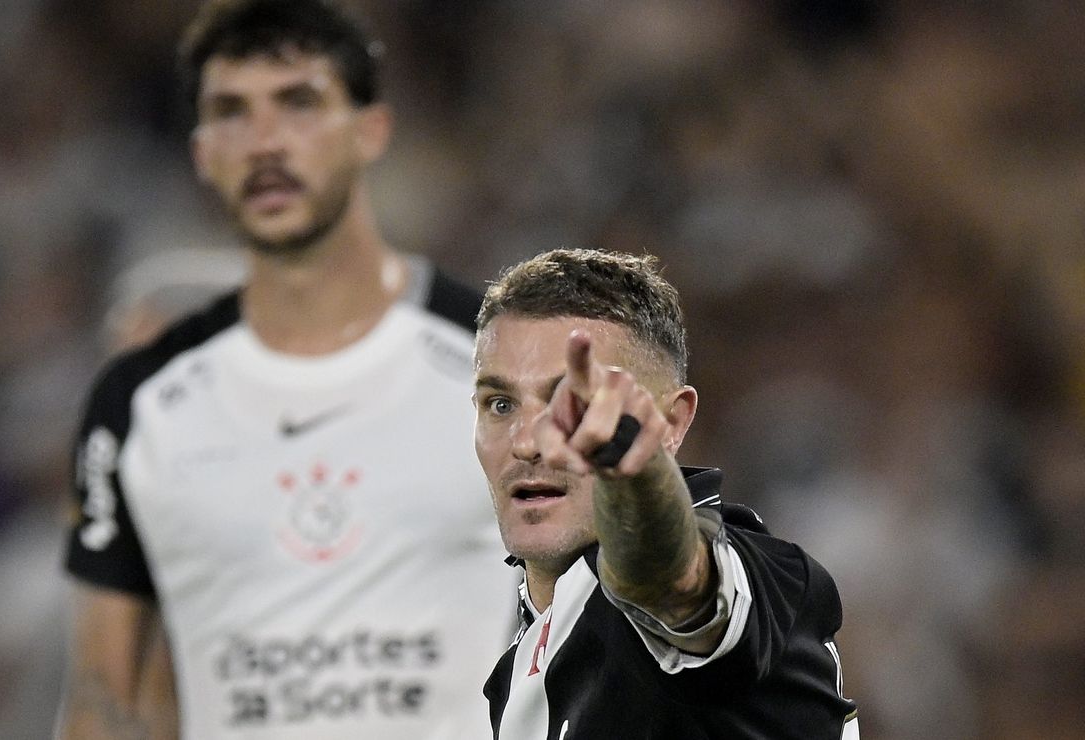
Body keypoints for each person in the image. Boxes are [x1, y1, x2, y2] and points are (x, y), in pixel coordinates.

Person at [57, 1, 515, 738]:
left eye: (298, 104)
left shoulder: (500, 360)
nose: (265, 141)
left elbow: (604, 633)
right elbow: (104, 697)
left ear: (372, 130)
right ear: (203, 150)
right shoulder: (139, 401)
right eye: (232, 112)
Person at [471, 248, 859, 739]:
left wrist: (637, 476)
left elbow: (673, 585)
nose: (526, 442)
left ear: (672, 422)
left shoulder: (753, 587)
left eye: (574, 404)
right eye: (500, 404)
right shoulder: (520, 665)